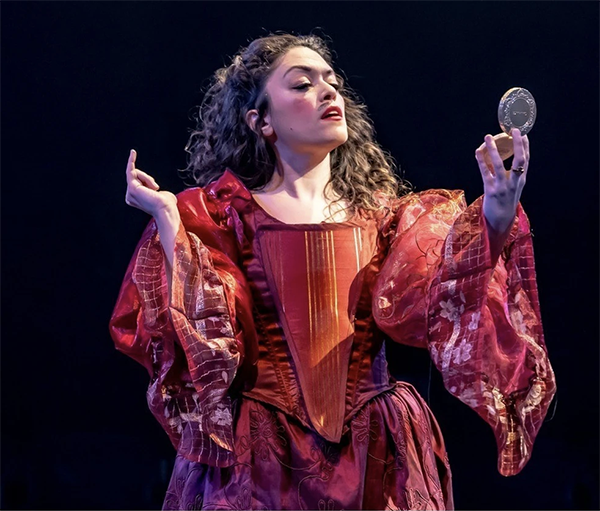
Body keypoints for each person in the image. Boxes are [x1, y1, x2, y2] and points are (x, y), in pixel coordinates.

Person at [109, 34, 556, 510]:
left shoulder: (387, 220)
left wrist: (494, 217)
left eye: (332, 82)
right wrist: (168, 221)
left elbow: (443, 303)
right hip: (260, 461)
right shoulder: (220, 218)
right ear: (260, 121)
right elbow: (208, 347)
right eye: (303, 84)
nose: (328, 92)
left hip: (377, 454)